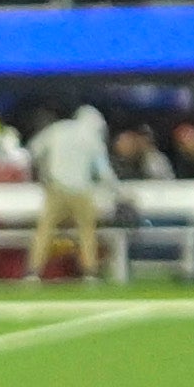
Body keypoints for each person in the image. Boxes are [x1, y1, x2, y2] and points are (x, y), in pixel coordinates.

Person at [29, 91, 121, 283]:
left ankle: (33, 272)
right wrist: (119, 191)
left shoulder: (57, 129)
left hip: (56, 189)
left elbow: (34, 150)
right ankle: (89, 272)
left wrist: (44, 172)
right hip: (81, 192)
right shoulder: (92, 138)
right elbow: (104, 172)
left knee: (44, 230)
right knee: (87, 232)